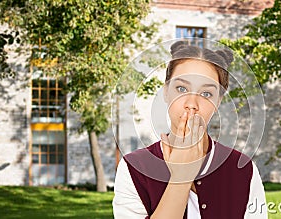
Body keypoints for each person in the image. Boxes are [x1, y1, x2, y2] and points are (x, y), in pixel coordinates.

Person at [113, 41, 267, 219]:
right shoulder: (134, 168)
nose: (191, 104)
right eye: (181, 89)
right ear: (166, 91)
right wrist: (181, 177)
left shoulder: (244, 170)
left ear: (218, 101)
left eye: (206, 94)